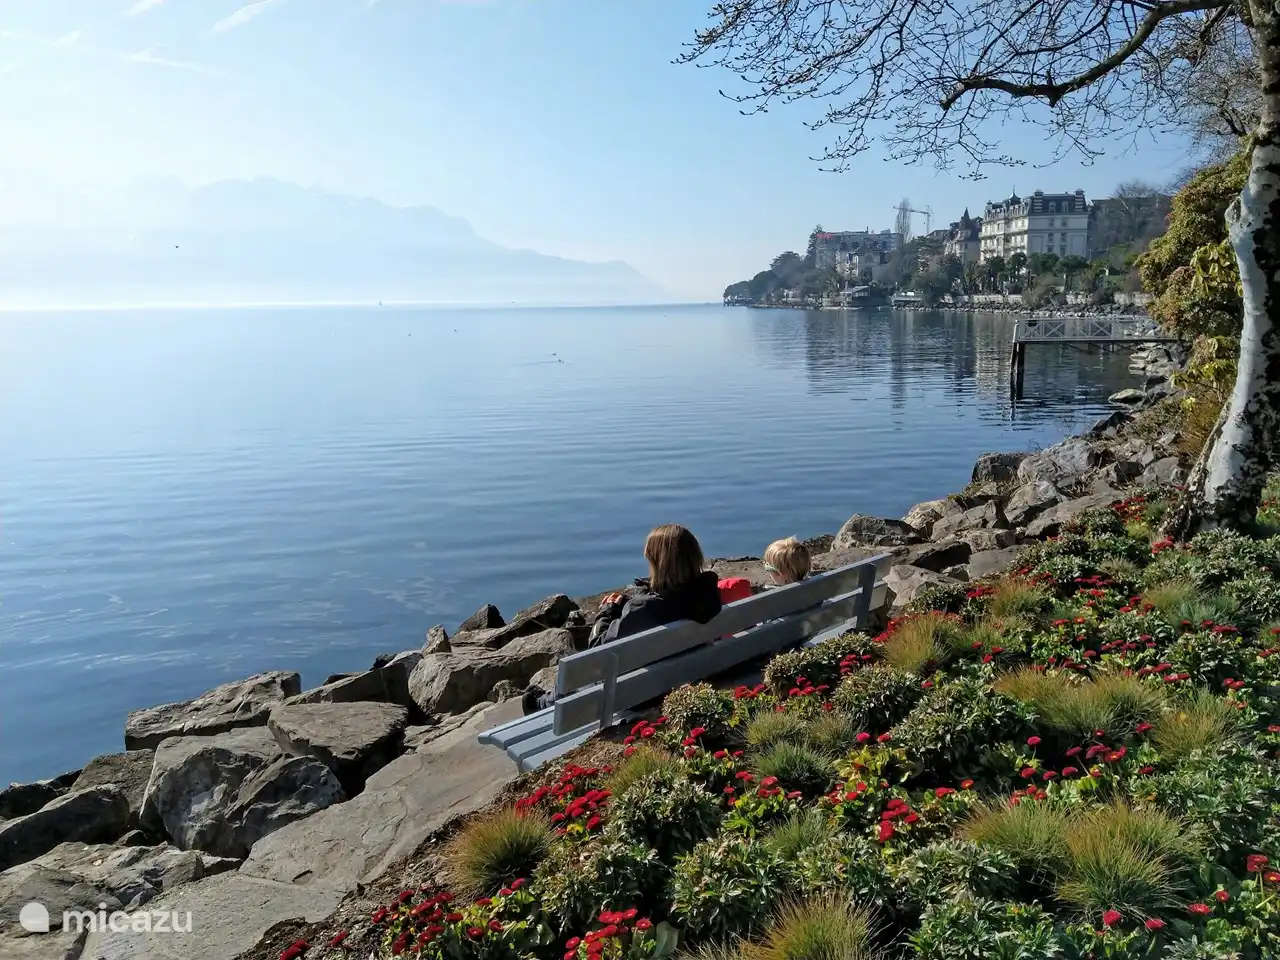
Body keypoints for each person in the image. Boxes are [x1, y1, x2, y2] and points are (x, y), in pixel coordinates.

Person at [521, 524, 722, 715]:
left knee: (583, 676)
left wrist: (607, 611)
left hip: (641, 696)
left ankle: (542, 703)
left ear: (659, 565)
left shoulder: (644, 609)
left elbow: (596, 653)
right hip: (687, 675)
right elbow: (672, 599)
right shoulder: (709, 596)